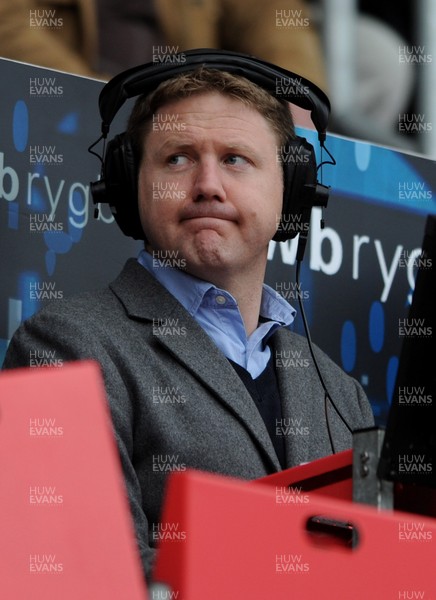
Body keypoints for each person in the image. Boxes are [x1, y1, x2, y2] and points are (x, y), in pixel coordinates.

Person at [2, 61, 374, 582]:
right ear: (131, 186)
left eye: (236, 159)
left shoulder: (343, 395)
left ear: (291, 192)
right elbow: (77, 574)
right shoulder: (62, 347)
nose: (207, 185)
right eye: (177, 159)